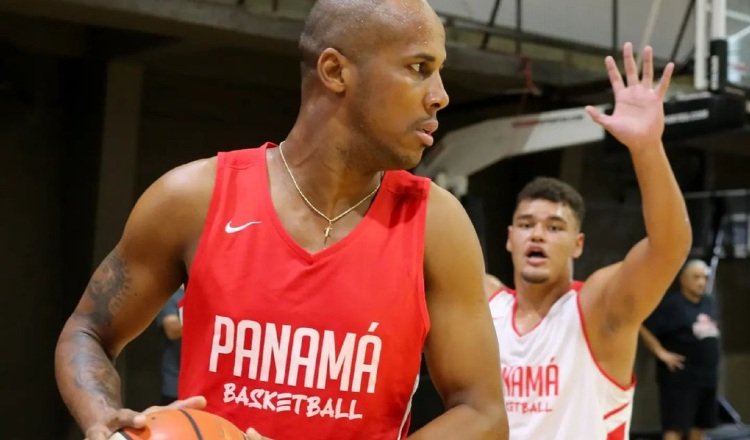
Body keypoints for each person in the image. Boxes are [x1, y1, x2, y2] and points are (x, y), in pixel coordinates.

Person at [54, 1, 508, 439]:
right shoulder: (193, 198)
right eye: (419, 68)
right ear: (335, 71)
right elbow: (88, 331)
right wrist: (103, 419)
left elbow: (483, 415)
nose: (440, 96)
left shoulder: (435, 225)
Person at [487, 42, 692, 439]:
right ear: (509, 238)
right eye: (527, 224)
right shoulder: (484, 304)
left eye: (554, 227)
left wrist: (647, 148)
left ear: (578, 244)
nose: (538, 234)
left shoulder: (597, 307)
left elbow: (669, 247)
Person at [640, 259, 720, 440]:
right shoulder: (671, 304)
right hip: (680, 379)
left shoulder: (709, 302)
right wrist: (661, 353)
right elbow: (643, 326)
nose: (701, 282)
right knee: (675, 427)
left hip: (706, 378)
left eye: (704, 278)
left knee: (699, 426)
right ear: (683, 279)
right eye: (696, 277)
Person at [156, 286, 185, 406]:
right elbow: (172, 330)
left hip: (202, 382)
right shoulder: (171, 294)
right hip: (175, 383)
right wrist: (205, 320)